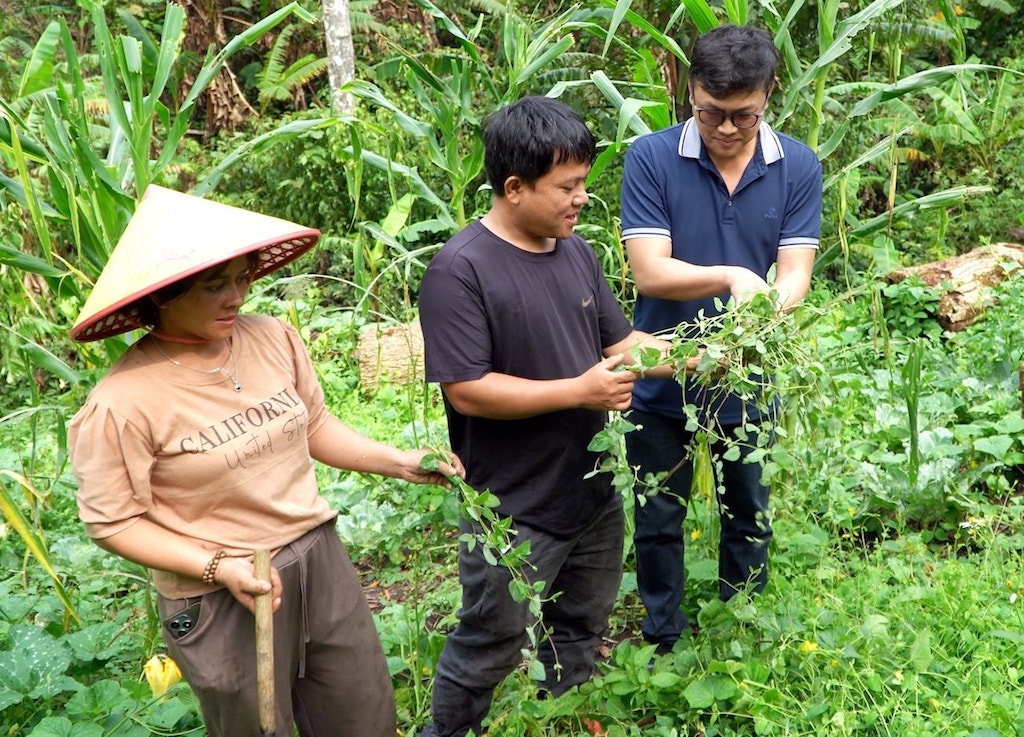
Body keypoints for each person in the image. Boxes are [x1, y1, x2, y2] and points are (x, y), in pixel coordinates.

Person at [68, 185, 463, 736]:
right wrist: (217, 566)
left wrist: (399, 460)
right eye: (214, 286)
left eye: (243, 277)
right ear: (160, 296)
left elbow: (316, 426)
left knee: (363, 714)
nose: (236, 297)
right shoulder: (122, 402)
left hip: (316, 555)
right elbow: (113, 522)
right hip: (220, 591)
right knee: (256, 729)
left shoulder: (272, 337)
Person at [417, 95, 680, 737]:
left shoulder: (574, 252)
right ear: (514, 186)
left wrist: (710, 351)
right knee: (489, 646)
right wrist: (579, 391)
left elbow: (624, 347)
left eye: (584, 183)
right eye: (568, 186)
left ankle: (563, 717)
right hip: (513, 505)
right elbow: (467, 390)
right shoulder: (460, 270)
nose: (581, 198)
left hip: (589, 492)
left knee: (580, 631)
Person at [619, 24, 823, 653]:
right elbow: (649, 268)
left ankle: (744, 631)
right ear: (688, 93)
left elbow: (794, 279)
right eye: (712, 113)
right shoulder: (651, 157)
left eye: (745, 116)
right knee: (657, 514)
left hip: (747, 371)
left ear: (769, 95)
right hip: (662, 365)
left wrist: (747, 335)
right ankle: (662, 639)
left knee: (749, 510)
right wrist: (732, 275)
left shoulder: (797, 166)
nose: (727, 129)